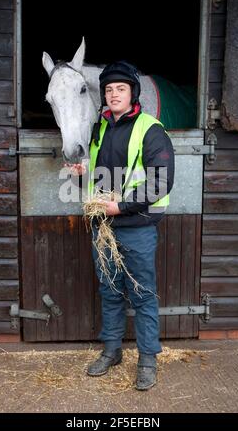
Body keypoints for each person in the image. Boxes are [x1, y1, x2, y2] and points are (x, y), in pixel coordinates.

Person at [69, 61, 174, 390]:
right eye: (109, 89)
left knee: (142, 294)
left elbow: (160, 181)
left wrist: (121, 206)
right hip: (103, 227)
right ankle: (112, 351)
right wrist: (83, 174)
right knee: (110, 292)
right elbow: (103, 174)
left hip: (137, 226)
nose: (114, 94)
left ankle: (147, 359)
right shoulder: (100, 128)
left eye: (121, 89)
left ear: (133, 93)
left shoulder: (150, 129)